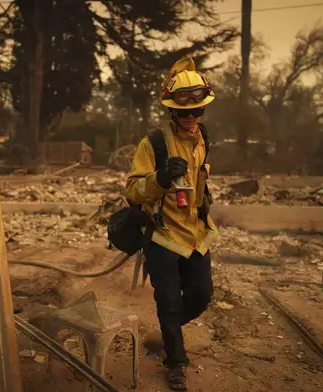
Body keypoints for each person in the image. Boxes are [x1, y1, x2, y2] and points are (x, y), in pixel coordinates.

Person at [125, 57, 219, 391]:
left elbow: (201, 178)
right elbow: (132, 191)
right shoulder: (153, 144)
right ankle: (176, 362)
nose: (192, 117)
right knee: (167, 299)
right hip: (163, 236)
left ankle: (168, 330)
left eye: (199, 110)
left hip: (196, 234)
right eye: (186, 112)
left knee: (201, 294)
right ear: (171, 111)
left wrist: (205, 197)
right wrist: (161, 177)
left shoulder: (202, 138)